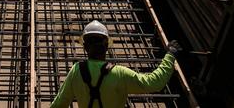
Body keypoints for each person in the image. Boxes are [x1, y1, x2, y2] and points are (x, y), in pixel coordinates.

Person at [50, 20, 182, 108]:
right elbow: (154, 83)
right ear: (107, 45)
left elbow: (59, 105)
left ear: (85, 47)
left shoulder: (76, 71)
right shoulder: (119, 73)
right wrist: (170, 55)